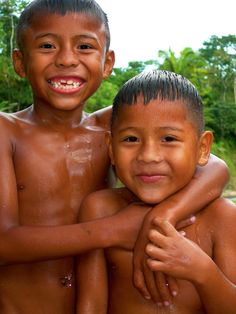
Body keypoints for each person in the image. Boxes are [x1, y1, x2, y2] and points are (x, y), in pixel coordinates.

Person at [0, 0, 228, 312]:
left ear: (107, 64)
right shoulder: (5, 132)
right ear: (20, 61)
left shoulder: (115, 127)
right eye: (48, 45)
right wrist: (113, 230)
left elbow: (214, 167)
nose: (67, 59)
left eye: (83, 46)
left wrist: (162, 217)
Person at [77, 69, 236, 314]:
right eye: (131, 139)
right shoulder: (100, 208)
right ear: (110, 148)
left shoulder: (222, 217)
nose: (149, 156)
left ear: (203, 148)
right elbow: (91, 304)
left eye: (169, 138)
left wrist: (202, 271)